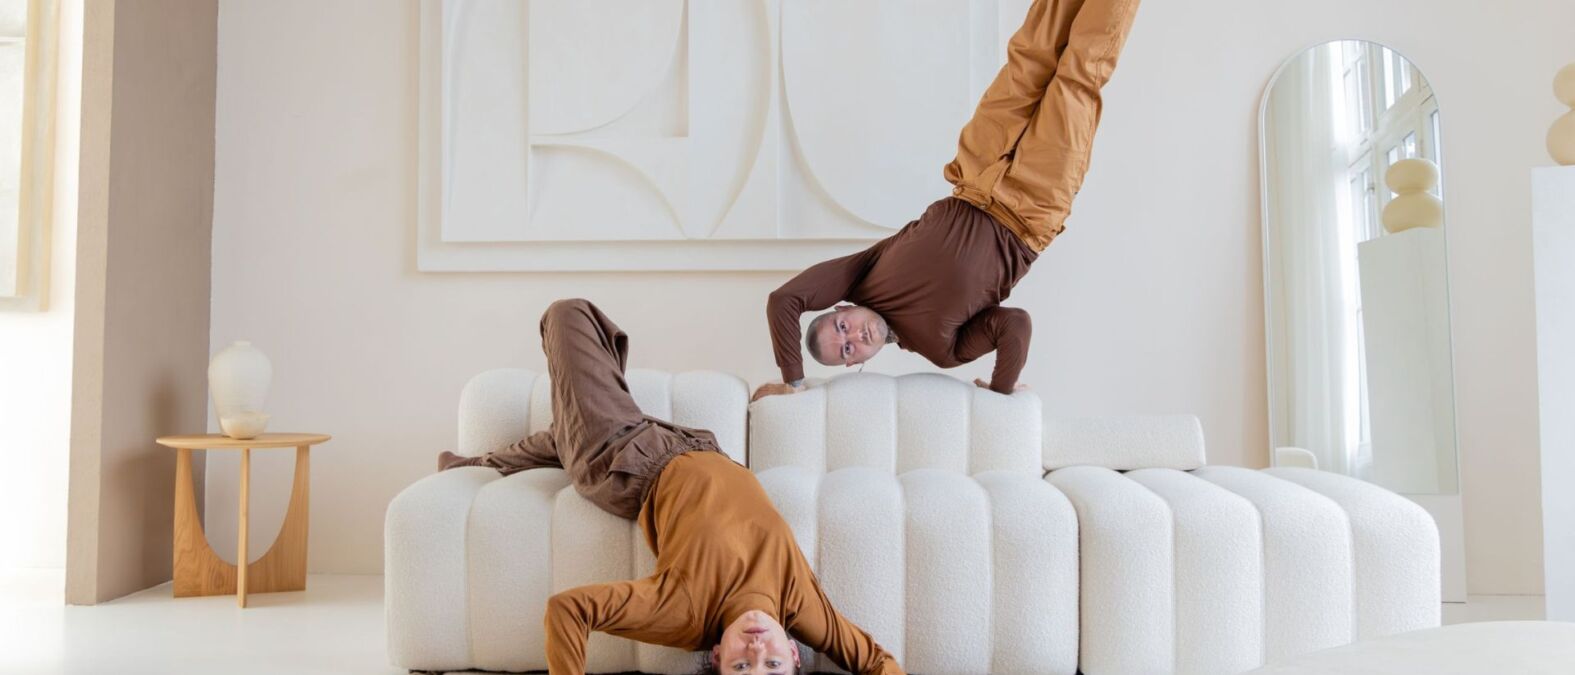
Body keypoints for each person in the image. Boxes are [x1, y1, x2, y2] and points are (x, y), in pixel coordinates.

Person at [441, 299, 903, 675]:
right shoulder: (802, 608)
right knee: (574, 422)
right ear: (795, 653)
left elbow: (569, 609)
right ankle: (481, 461)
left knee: (569, 315)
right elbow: (880, 664)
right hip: (681, 442)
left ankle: (576, 427)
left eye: (743, 667)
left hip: (621, 461)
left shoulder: (681, 613)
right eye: (773, 664)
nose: (757, 650)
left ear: (718, 657)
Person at [755, 0, 1143, 400]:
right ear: (858, 363)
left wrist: (793, 383)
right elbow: (1015, 326)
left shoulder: (860, 276)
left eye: (841, 328)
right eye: (848, 349)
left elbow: (784, 300)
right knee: (1078, 77)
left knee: (1031, 56)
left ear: (840, 310)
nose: (854, 335)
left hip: (975, 170)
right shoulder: (943, 349)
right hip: (1033, 207)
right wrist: (1001, 387)